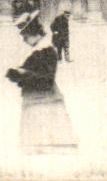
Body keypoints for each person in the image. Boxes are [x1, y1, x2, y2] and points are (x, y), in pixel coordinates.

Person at [6, 11, 77, 155]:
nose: (24, 40)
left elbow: (47, 79)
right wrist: (17, 75)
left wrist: (23, 75)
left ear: (35, 34)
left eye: (26, 36)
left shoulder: (47, 51)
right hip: (36, 100)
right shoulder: (37, 52)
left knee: (49, 142)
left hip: (44, 99)